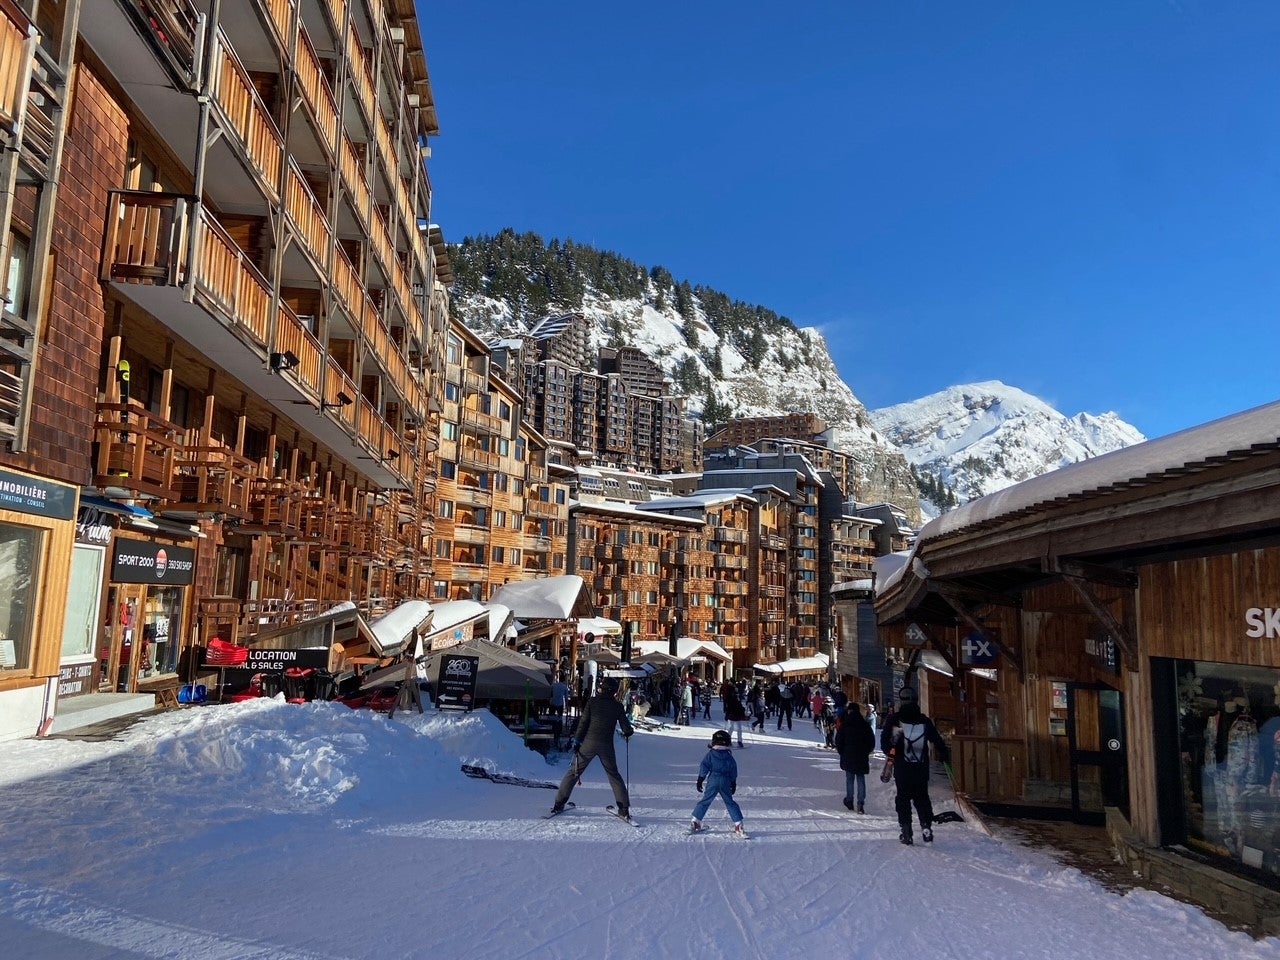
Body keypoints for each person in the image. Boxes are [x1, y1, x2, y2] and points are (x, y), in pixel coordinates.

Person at [550, 677, 634, 818]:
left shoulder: (592, 702)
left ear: (602, 688)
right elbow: (626, 728)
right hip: (606, 746)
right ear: (613, 691)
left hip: (588, 743)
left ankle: (558, 804)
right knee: (614, 775)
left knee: (574, 772)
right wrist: (628, 732)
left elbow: (583, 723)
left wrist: (577, 741)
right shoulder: (617, 706)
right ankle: (623, 809)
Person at [879, 686, 949, 845]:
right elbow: (937, 740)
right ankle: (926, 826)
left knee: (903, 799)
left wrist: (892, 751)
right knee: (922, 797)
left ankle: (906, 831)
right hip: (921, 767)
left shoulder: (895, 719)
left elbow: (884, 743)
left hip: (903, 768)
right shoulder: (924, 720)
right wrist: (945, 755)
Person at [691, 729, 746, 837]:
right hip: (725, 781)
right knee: (730, 802)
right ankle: (738, 824)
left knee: (706, 800)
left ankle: (695, 821)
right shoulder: (729, 756)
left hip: (713, 780)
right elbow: (733, 768)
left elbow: (704, 766)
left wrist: (700, 779)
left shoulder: (711, 754)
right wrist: (733, 781)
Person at [834, 700, 875, 813]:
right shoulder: (865, 725)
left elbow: (838, 741)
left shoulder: (845, 725)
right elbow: (871, 741)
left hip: (848, 754)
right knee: (861, 778)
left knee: (850, 779)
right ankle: (860, 803)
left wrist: (842, 752)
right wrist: (866, 751)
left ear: (849, 711)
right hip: (861, 755)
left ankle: (849, 800)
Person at [549, 674, 571, 749]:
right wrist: (567, 705)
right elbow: (566, 696)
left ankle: (551, 728)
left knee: (551, 717)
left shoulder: (554, 685)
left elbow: (550, 693)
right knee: (560, 718)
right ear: (564, 680)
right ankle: (558, 731)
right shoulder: (564, 687)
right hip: (560, 703)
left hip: (553, 703)